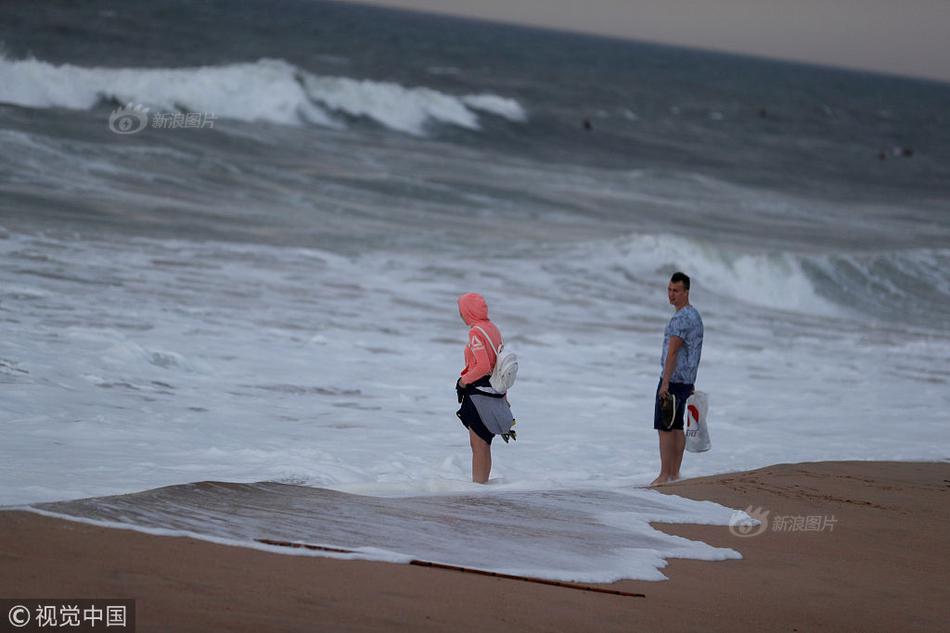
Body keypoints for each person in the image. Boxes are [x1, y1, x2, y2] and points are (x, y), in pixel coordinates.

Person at [651, 272, 703, 486]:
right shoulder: (695, 315)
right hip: (686, 381)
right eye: (669, 290)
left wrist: (665, 383)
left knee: (665, 427)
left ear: (686, 292)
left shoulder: (680, 318)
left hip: (672, 380)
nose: (671, 295)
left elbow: (673, 352)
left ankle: (664, 475)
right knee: (677, 426)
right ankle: (674, 474)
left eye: (676, 291)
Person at [455, 292, 510, 484]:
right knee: (485, 443)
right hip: (494, 392)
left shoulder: (476, 332)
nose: (460, 315)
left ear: (467, 311)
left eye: (461, 310)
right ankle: (482, 487)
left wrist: (463, 381)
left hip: (479, 392)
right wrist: (504, 396)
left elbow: (484, 366)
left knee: (478, 445)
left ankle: (478, 488)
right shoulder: (492, 328)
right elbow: (500, 366)